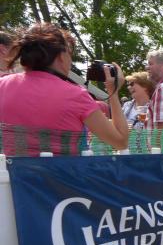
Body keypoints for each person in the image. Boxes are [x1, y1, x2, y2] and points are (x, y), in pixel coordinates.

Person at [0, 22, 128, 154]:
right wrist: (113, 93)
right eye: (70, 54)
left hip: (7, 167)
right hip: (62, 168)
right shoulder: (76, 95)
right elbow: (121, 142)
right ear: (61, 56)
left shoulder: (2, 85)